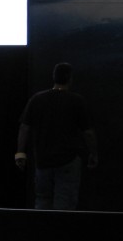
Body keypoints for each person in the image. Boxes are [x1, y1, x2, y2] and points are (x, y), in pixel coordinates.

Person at [15, 63, 98, 210]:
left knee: (42, 201)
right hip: (67, 159)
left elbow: (24, 127)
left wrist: (20, 153)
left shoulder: (37, 99)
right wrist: (93, 153)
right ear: (70, 79)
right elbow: (88, 132)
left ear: (53, 77)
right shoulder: (76, 100)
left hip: (43, 159)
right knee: (65, 203)